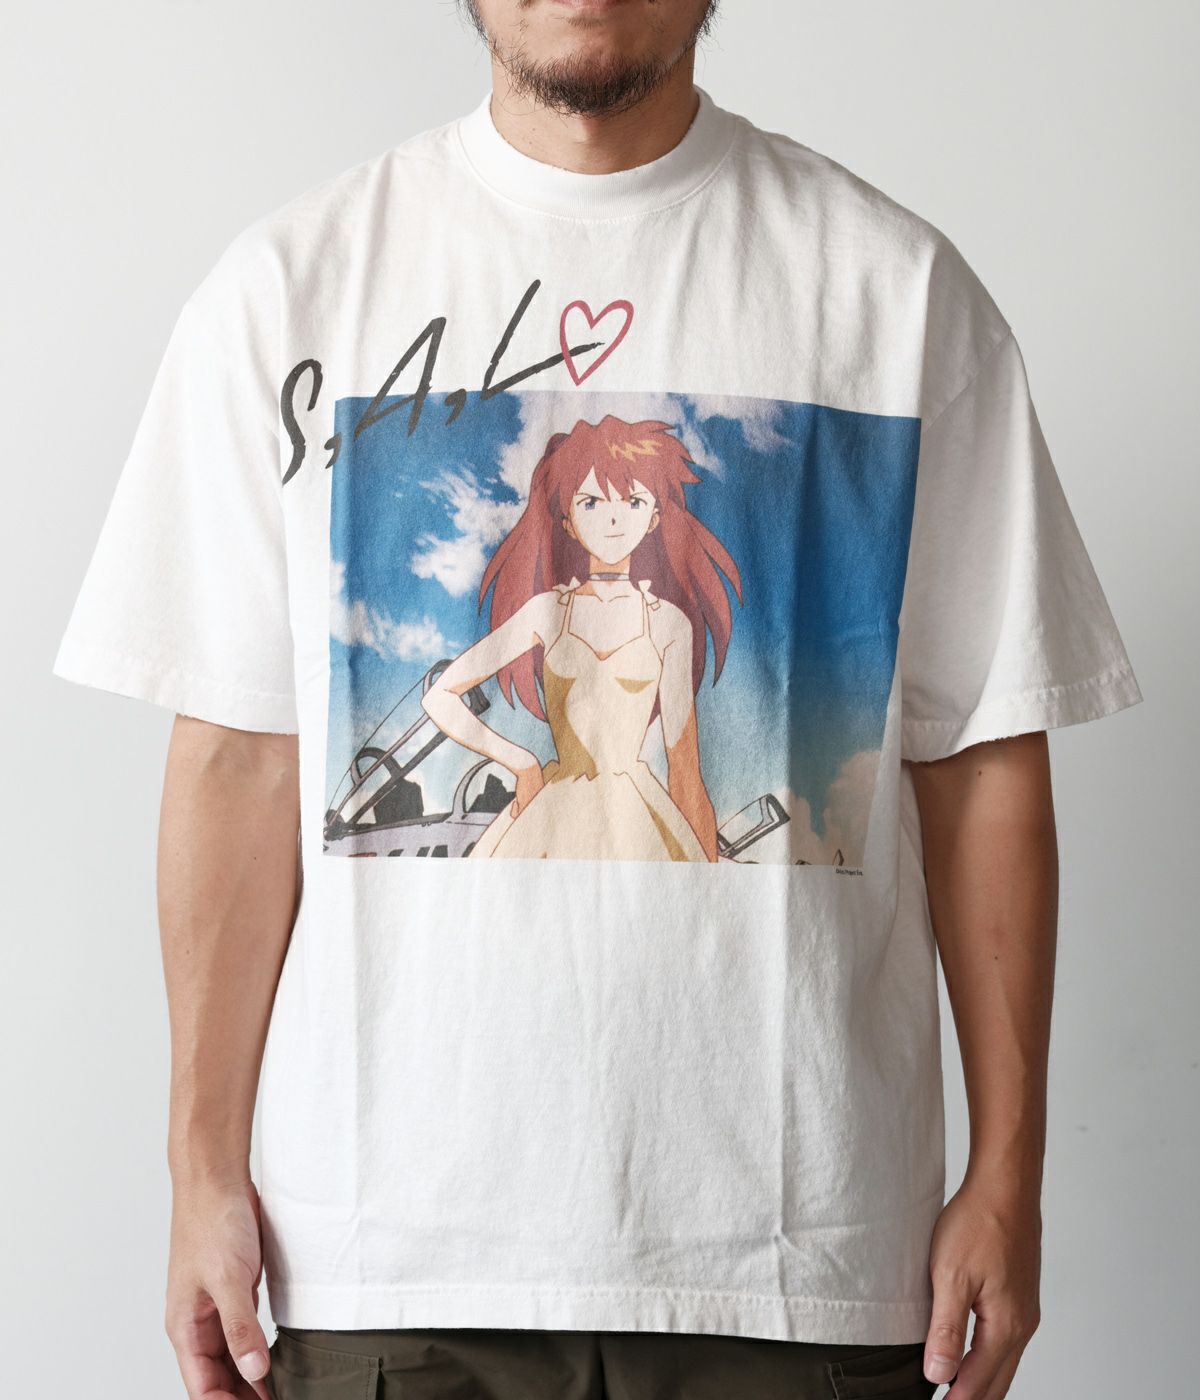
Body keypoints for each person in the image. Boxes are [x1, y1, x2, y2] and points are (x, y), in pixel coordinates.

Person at [51, 2, 1144, 1398]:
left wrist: (1008, 1176)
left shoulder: (897, 294)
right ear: (563, 511)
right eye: (592, 499)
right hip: (388, 1259)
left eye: (635, 497)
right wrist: (199, 1170)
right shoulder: (284, 290)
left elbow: (981, 759)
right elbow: (239, 760)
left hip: (801, 1264)